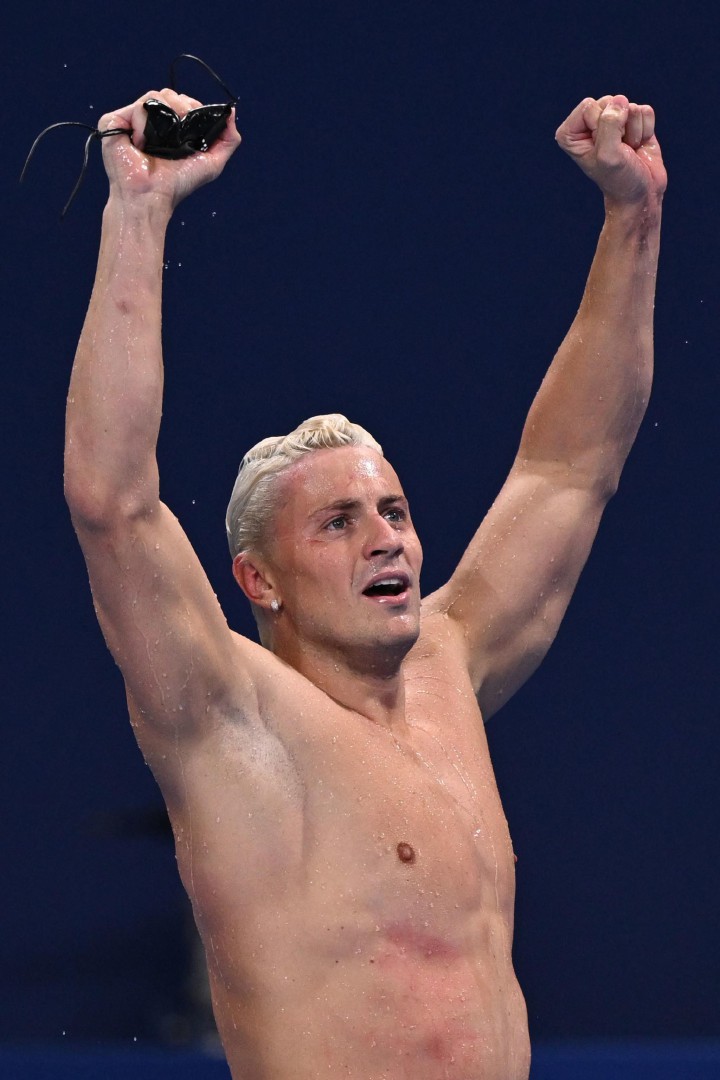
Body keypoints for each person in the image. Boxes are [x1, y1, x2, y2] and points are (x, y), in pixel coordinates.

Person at [63, 86, 665, 1079]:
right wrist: (138, 208)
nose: (385, 540)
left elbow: (571, 466)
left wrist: (632, 212)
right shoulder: (231, 724)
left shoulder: (451, 662)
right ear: (257, 578)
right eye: (338, 524)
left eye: (392, 512)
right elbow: (112, 503)